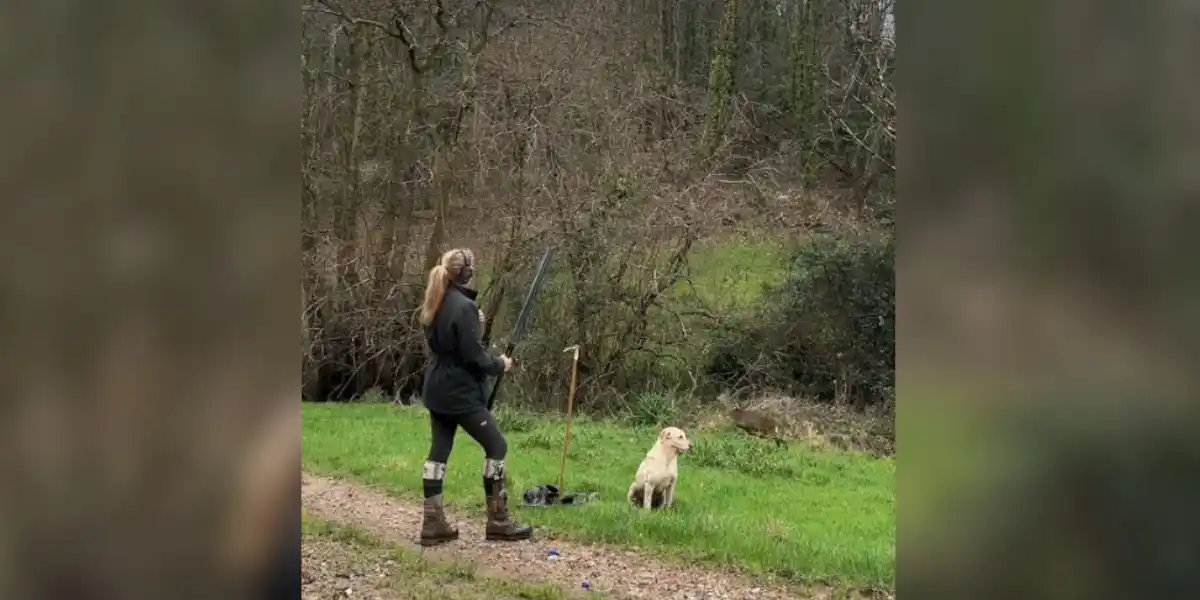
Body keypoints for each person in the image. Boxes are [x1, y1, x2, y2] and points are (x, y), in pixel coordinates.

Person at [417, 248, 533, 546]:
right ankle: (498, 521)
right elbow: (474, 356)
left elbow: (452, 338)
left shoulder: (438, 298)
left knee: (439, 450)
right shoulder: (462, 307)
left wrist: (474, 320)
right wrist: (500, 365)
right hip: (460, 393)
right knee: (497, 445)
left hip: (437, 389)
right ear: (465, 272)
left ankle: (433, 524)